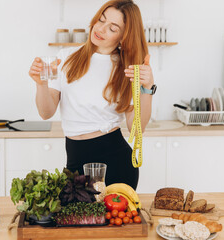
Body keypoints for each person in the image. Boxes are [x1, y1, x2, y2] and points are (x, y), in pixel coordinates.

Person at [28, 0, 155, 190]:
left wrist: (147, 89)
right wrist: (41, 84)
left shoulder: (127, 69)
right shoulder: (66, 58)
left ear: (123, 37)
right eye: (101, 20)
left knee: (118, 220)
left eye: (112, 28)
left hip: (116, 163)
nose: (101, 29)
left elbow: (137, 128)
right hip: (75, 162)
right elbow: (46, 113)